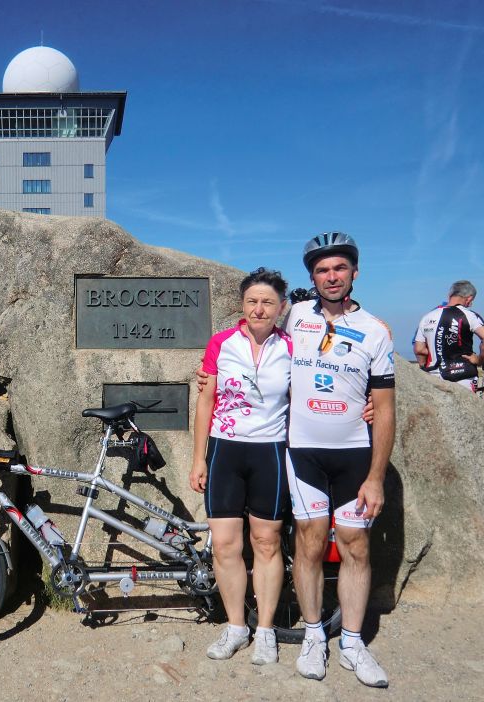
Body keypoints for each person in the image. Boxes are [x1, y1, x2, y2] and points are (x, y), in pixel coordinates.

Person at [284, 232, 395, 687]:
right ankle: (313, 633)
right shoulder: (292, 317)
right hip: (302, 451)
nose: (332, 277)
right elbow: (247, 337)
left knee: (356, 545)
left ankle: (351, 640)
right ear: (312, 276)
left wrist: (376, 477)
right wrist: (209, 372)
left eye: (340, 268)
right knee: (309, 543)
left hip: (353, 452)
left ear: (354, 273)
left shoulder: (375, 329)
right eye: (323, 270)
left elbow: (385, 408)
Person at [190, 267, 292, 666]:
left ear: (281, 308)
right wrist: (199, 457)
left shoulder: (293, 347)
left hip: (270, 452)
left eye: (268, 302)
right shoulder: (221, 343)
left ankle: (265, 630)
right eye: (252, 300)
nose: (259, 308)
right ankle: (236, 626)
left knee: (266, 543)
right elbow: (206, 401)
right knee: (227, 544)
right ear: (241, 305)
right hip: (225, 452)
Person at [413, 281, 484, 391]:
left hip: (433, 376)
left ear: (449, 295)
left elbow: (419, 350)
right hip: (462, 375)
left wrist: (424, 367)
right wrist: (480, 360)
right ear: (469, 299)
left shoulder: (427, 317)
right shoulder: (470, 315)